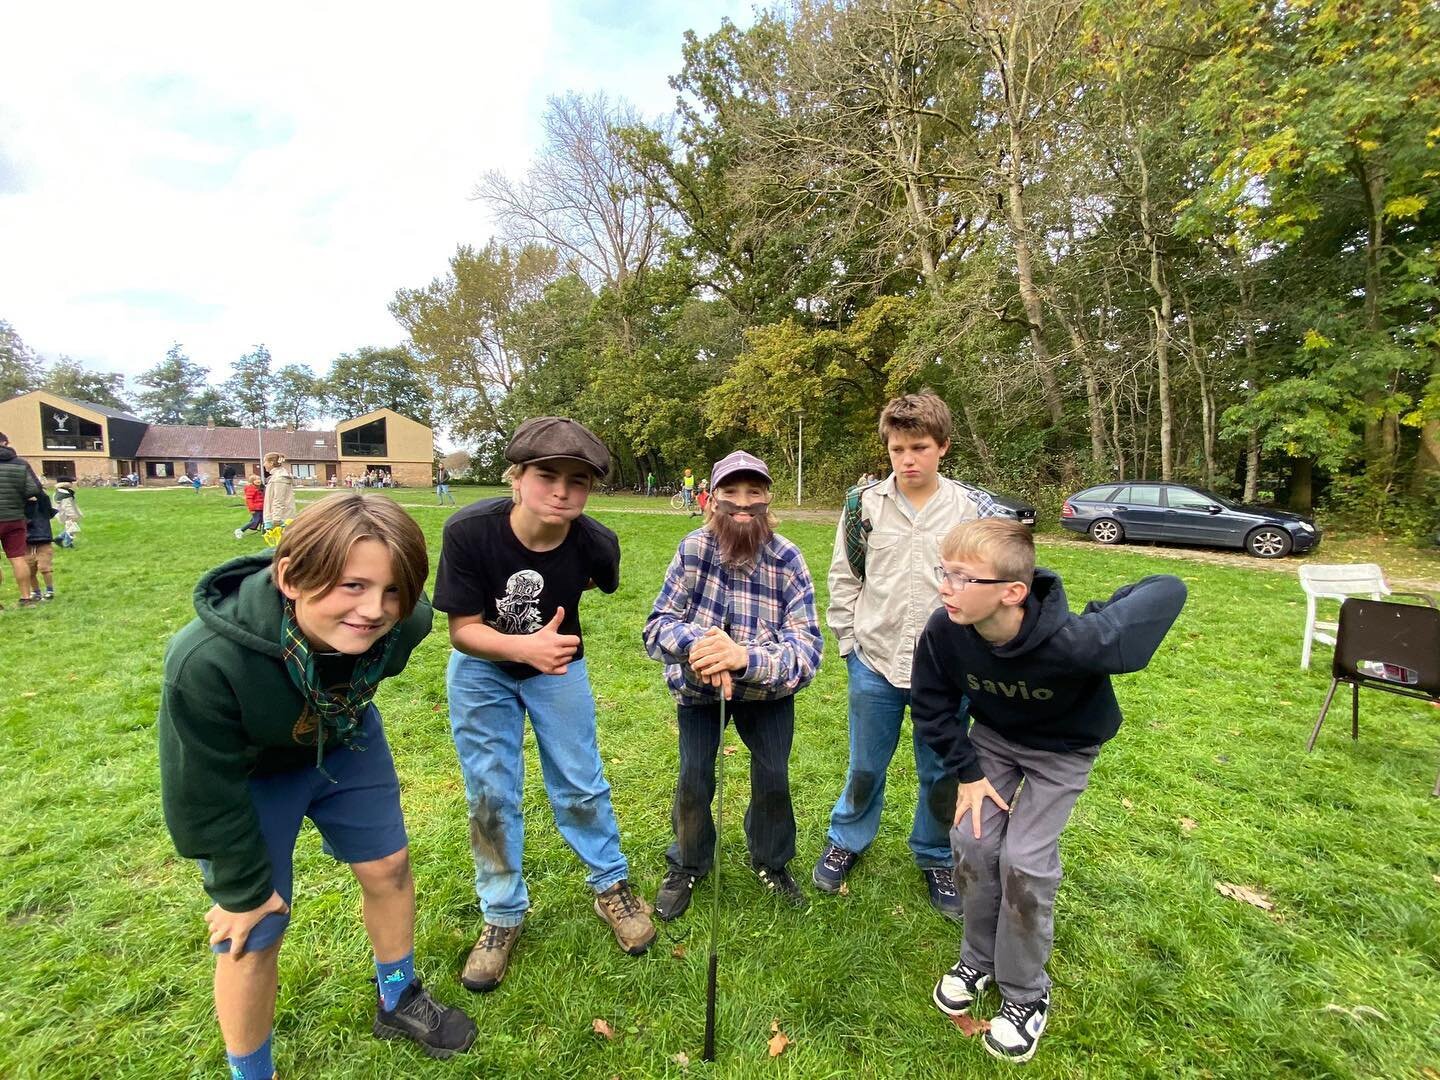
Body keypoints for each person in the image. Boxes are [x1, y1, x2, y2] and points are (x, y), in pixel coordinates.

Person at [158, 493, 478, 1079]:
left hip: (346, 740)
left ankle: (398, 998)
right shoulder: (206, 662)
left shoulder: (409, 623)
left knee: (389, 869)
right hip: (252, 774)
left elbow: (378, 643)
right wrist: (242, 889)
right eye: (351, 586)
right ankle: (252, 1073)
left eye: (390, 590)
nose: (374, 610)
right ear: (290, 576)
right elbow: (199, 792)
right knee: (255, 928)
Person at [914, 518, 1185, 1062]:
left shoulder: (1078, 642)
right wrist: (968, 771)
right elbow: (932, 707)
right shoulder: (946, 630)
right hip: (994, 740)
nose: (945, 586)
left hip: (1064, 750)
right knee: (972, 841)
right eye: (945, 571)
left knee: (1026, 859)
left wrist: (1111, 608)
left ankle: (1025, 995)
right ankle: (978, 959)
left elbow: (1168, 588)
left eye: (962, 577)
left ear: (1012, 592)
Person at [435, 416, 656, 994]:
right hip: (482, 671)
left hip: (558, 669)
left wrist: (542, 650)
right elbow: (462, 630)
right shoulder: (468, 532)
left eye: (577, 481)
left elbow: (594, 583)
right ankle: (502, 915)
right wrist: (521, 645)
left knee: (581, 783)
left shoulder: (596, 543)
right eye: (546, 475)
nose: (561, 491)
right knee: (490, 792)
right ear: (516, 478)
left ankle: (612, 887)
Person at [813, 391, 1000, 920]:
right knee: (865, 765)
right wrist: (849, 645)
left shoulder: (970, 511)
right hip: (874, 661)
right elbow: (845, 578)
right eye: (897, 449)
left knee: (941, 770)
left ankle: (936, 854)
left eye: (919, 446)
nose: (907, 459)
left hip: (948, 673)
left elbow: (990, 585)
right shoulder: (863, 507)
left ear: (942, 446)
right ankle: (847, 839)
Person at [643, 451, 823, 919]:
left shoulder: (789, 559)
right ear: (713, 498)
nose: (743, 503)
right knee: (693, 777)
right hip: (700, 691)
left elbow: (807, 649)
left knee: (773, 777)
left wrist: (743, 658)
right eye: (731, 492)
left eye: (754, 492)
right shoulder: (692, 549)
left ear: (768, 499)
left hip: (768, 694)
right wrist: (703, 647)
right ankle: (688, 861)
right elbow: (658, 625)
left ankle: (772, 861)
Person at [0, 433, 43, 607]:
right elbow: (34, 489)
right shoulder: (20, 464)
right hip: (15, 518)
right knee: (18, 558)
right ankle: (25, 598)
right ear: (5, 443)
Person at [23, 484, 56, 601]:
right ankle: (36, 592)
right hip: (27, 541)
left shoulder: (42, 505)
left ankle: (49, 590)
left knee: (44, 567)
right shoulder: (21, 506)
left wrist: (36, 489)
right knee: (29, 569)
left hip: (43, 540)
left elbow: (44, 499)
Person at [262, 453, 295, 533]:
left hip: (280, 518)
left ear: (271, 463)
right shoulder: (276, 476)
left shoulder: (280, 478)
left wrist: (276, 519)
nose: (264, 464)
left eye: (265, 462)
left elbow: (279, 499)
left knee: (280, 544)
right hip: (276, 516)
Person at [53, 476, 82, 548]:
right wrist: (72, 515)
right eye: (70, 482)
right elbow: (67, 506)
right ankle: (68, 544)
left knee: (70, 527)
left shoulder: (61, 491)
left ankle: (59, 538)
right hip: (65, 514)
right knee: (72, 528)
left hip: (62, 512)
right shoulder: (64, 494)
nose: (72, 484)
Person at [235, 473, 266, 540]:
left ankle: (264, 534)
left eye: (259, 479)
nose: (258, 481)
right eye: (256, 480)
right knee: (254, 521)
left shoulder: (261, 488)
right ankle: (240, 530)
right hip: (256, 508)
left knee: (264, 521)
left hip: (262, 508)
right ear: (252, 482)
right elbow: (249, 500)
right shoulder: (251, 489)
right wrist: (252, 509)